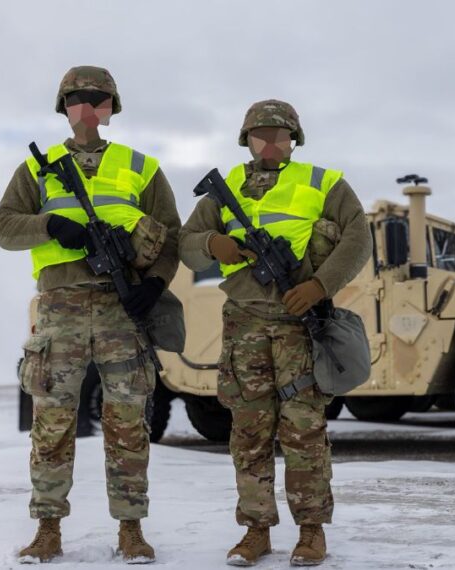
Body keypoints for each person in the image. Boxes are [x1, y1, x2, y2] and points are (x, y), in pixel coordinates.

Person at [0, 65, 180, 564]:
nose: (89, 108)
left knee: (129, 422)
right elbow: (5, 227)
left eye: (99, 99)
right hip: (61, 307)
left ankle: (131, 530)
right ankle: (47, 529)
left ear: (111, 109)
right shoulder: (37, 168)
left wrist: (155, 285)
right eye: (78, 99)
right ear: (64, 108)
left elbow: (171, 236)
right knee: (52, 422)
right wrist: (52, 224)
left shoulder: (141, 166)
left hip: (122, 306)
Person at [179, 99, 371, 566]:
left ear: (294, 140)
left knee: (304, 430)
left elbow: (358, 237)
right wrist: (214, 243)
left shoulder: (323, 182)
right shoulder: (224, 190)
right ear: (246, 140)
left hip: (300, 325)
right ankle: (256, 531)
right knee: (248, 431)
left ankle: (311, 532)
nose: (269, 143)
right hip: (244, 323)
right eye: (260, 135)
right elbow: (185, 245)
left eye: (279, 135)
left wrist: (320, 285)